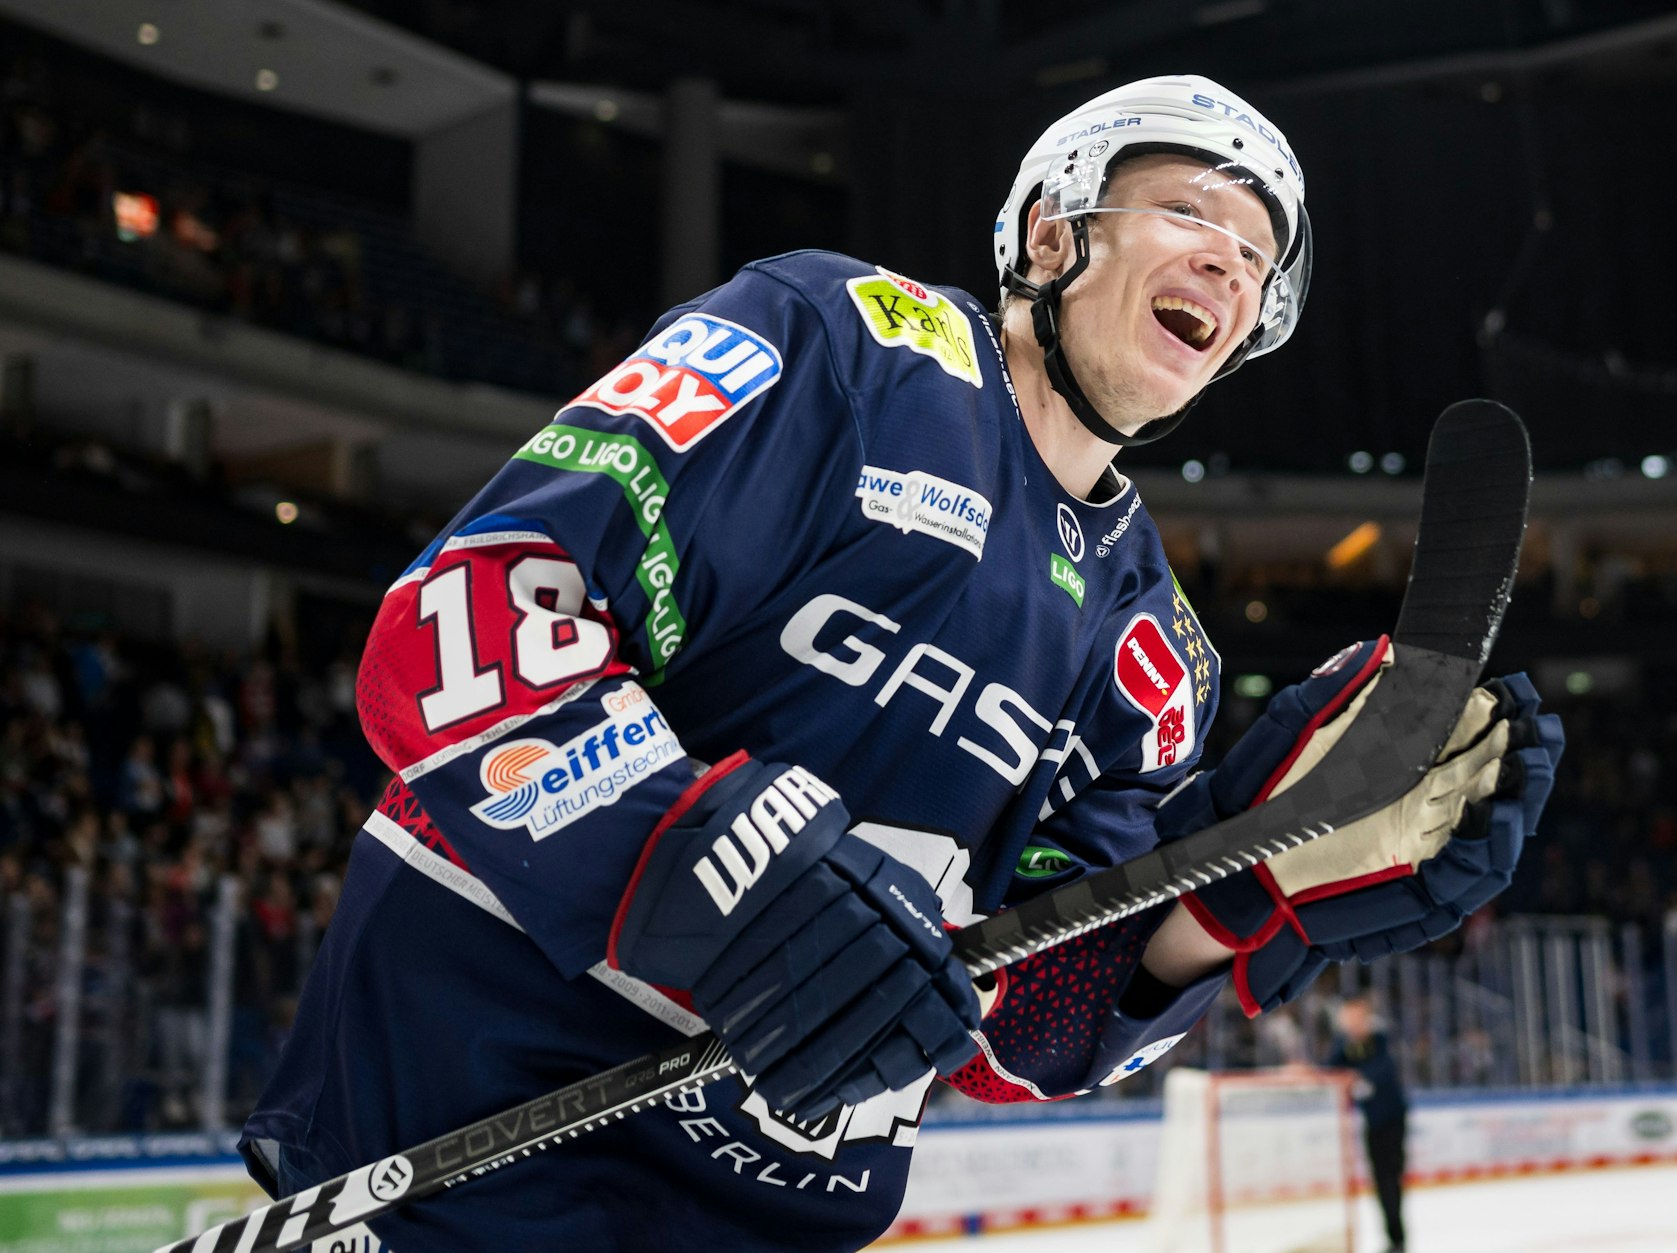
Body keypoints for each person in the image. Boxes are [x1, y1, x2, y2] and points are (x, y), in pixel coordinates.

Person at [237, 75, 1564, 1252]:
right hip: (460, 1148)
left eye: (1257, 257)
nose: (1230, 263)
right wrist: (717, 877)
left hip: (766, 1217)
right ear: (1054, 231)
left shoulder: (1157, 651)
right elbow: (466, 622)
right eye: (1191, 215)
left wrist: (1223, 906)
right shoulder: (843, 344)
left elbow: (1016, 1028)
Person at [1329, 994, 1411, 1253]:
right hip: (1373, 1121)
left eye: (1355, 1016)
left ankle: (1397, 1239)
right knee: (1381, 1181)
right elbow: (1332, 1067)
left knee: (1390, 1181)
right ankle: (1394, 1238)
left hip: (1392, 1120)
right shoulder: (1346, 1044)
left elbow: (1382, 1069)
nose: (1351, 1022)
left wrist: (1356, 1075)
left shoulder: (1380, 1039)